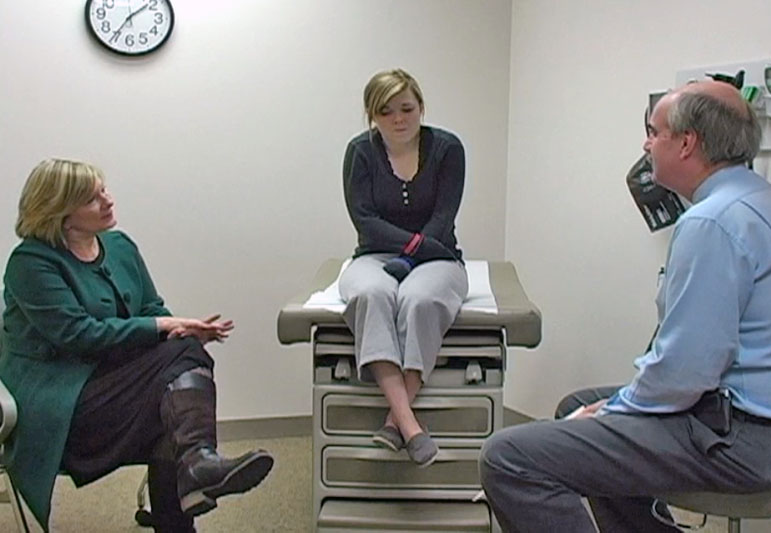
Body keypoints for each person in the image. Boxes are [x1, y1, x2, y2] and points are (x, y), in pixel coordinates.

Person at [480, 80, 771, 532]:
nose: (646, 145)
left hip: (748, 440)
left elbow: (685, 371)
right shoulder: (769, 204)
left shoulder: (712, 222)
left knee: (509, 457)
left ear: (687, 143)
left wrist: (614, 410)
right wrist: (611, 407)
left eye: (654, 132)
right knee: (578, 404)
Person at [0, 159, 274, 532]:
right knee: (178, 365)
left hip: (116, 388)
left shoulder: (119, 246)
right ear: (60, 213)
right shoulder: (30, 263)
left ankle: (194, 472)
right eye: (92, 199)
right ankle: (196, 470)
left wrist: (177, 329)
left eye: (104, 190)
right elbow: (79, 335)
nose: (107, 200)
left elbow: (151, 309)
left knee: (180, 370)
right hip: (63, 406)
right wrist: (166, 327)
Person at [339, 68, 469, 468]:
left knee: (420, 299)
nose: (399, 119)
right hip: (374, 256)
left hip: (438, 255)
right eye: (386, 111)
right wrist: (409, 248)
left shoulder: (448, 149)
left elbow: (443, 218)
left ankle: (394, 422)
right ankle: (410, 425)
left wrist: (413, 257)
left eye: (407, 108)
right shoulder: (360, 152)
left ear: (421, 108)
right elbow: (365, 220)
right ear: (371, 116)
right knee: (371, 294)